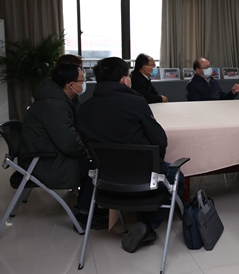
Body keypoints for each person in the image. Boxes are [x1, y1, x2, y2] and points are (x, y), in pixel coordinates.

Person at [76, 57, 185, 253]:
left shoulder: (85, 109)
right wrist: (157, 161)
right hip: (143, 176)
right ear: (123, 80)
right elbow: (159, 139)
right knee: (177, 176)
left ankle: (143, 223)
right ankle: (148, 224)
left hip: (106, 180)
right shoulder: (135, 102)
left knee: (144, 174)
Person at [19, 63, 105, 228]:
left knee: (94, 161)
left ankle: (90, 206)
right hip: (46, 161)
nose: (84, 83)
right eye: (82, 80)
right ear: (71, 85)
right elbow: (68, 144)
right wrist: (87, 151)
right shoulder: (54, 106)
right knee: (96, 166)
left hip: (49, 154)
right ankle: (84, 214)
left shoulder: (60, 99)